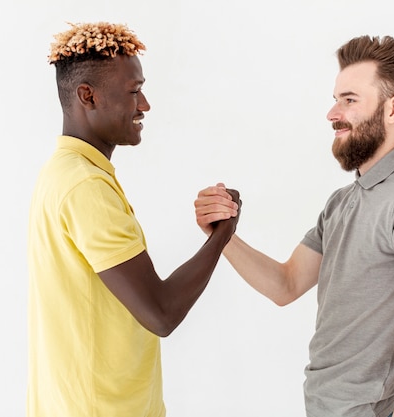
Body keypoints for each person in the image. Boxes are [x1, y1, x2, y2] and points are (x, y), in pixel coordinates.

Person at [195, 35, 394, 417]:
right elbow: (286, 285)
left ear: (393, 109)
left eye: (349, 100)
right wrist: (223, 237)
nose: (332, 113)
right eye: (336, 99)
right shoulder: (343, 202)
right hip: (322, 406)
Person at [27, 22, 241, 417]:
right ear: (87, 96)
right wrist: (222, 235)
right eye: (133, 91)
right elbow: (160, 313)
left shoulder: (66, 173)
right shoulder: (85, 187)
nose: (144, 105)